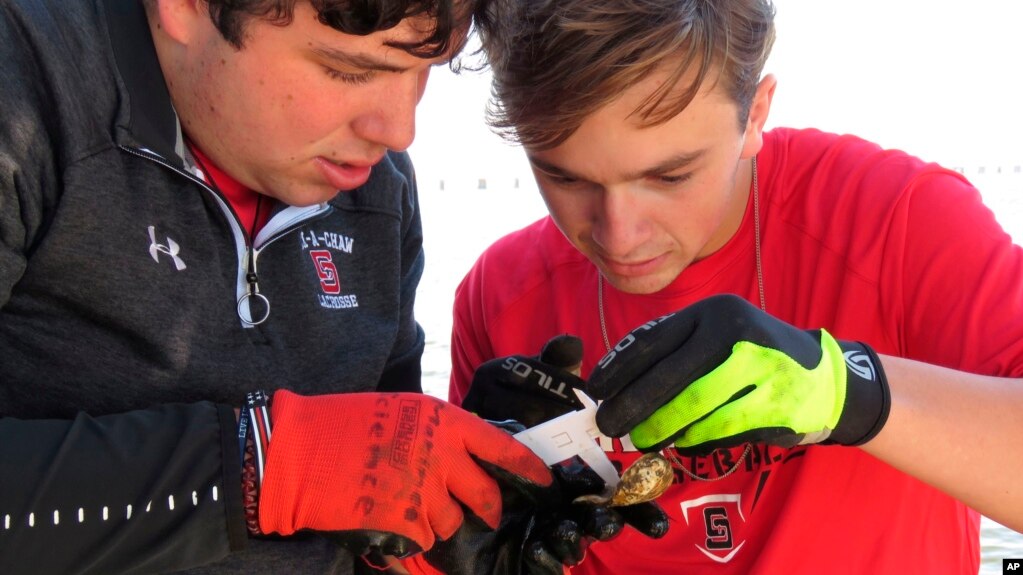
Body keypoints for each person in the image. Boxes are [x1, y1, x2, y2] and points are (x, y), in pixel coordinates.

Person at [0, 0, 649, 573]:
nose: (398, 130)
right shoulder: (26, 85)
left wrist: (461, 494)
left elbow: (358, 493)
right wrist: (265, 466)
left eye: (423, 68)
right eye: (350, 70)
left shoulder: (378, 186)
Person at [449, 0, 1023, 573]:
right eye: (564, 176)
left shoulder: (899, 219)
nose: (618, 236)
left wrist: (849, 391)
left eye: (670, 176)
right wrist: (469, 507)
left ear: (754, 114)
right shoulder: (498, 295)